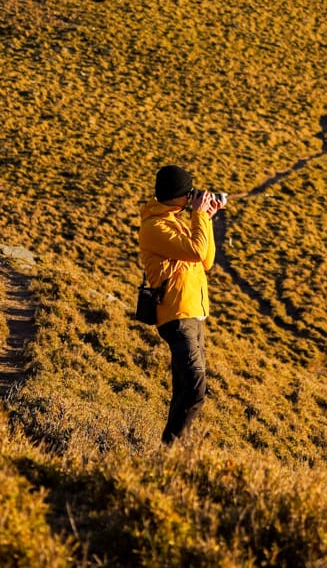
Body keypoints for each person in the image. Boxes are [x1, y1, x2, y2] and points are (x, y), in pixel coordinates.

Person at [139, 164, 221, 445]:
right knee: (195, 388)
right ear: (173, 196)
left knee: (186, 388)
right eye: (186, 193)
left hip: (194, 314)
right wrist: (198, 214)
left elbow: (206, 260)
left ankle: (172, 449)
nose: (190, 197)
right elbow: (197, 250)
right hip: (176, 315)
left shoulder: (175, 221)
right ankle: (170, 449)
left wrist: (206, 219)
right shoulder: (155, 227)